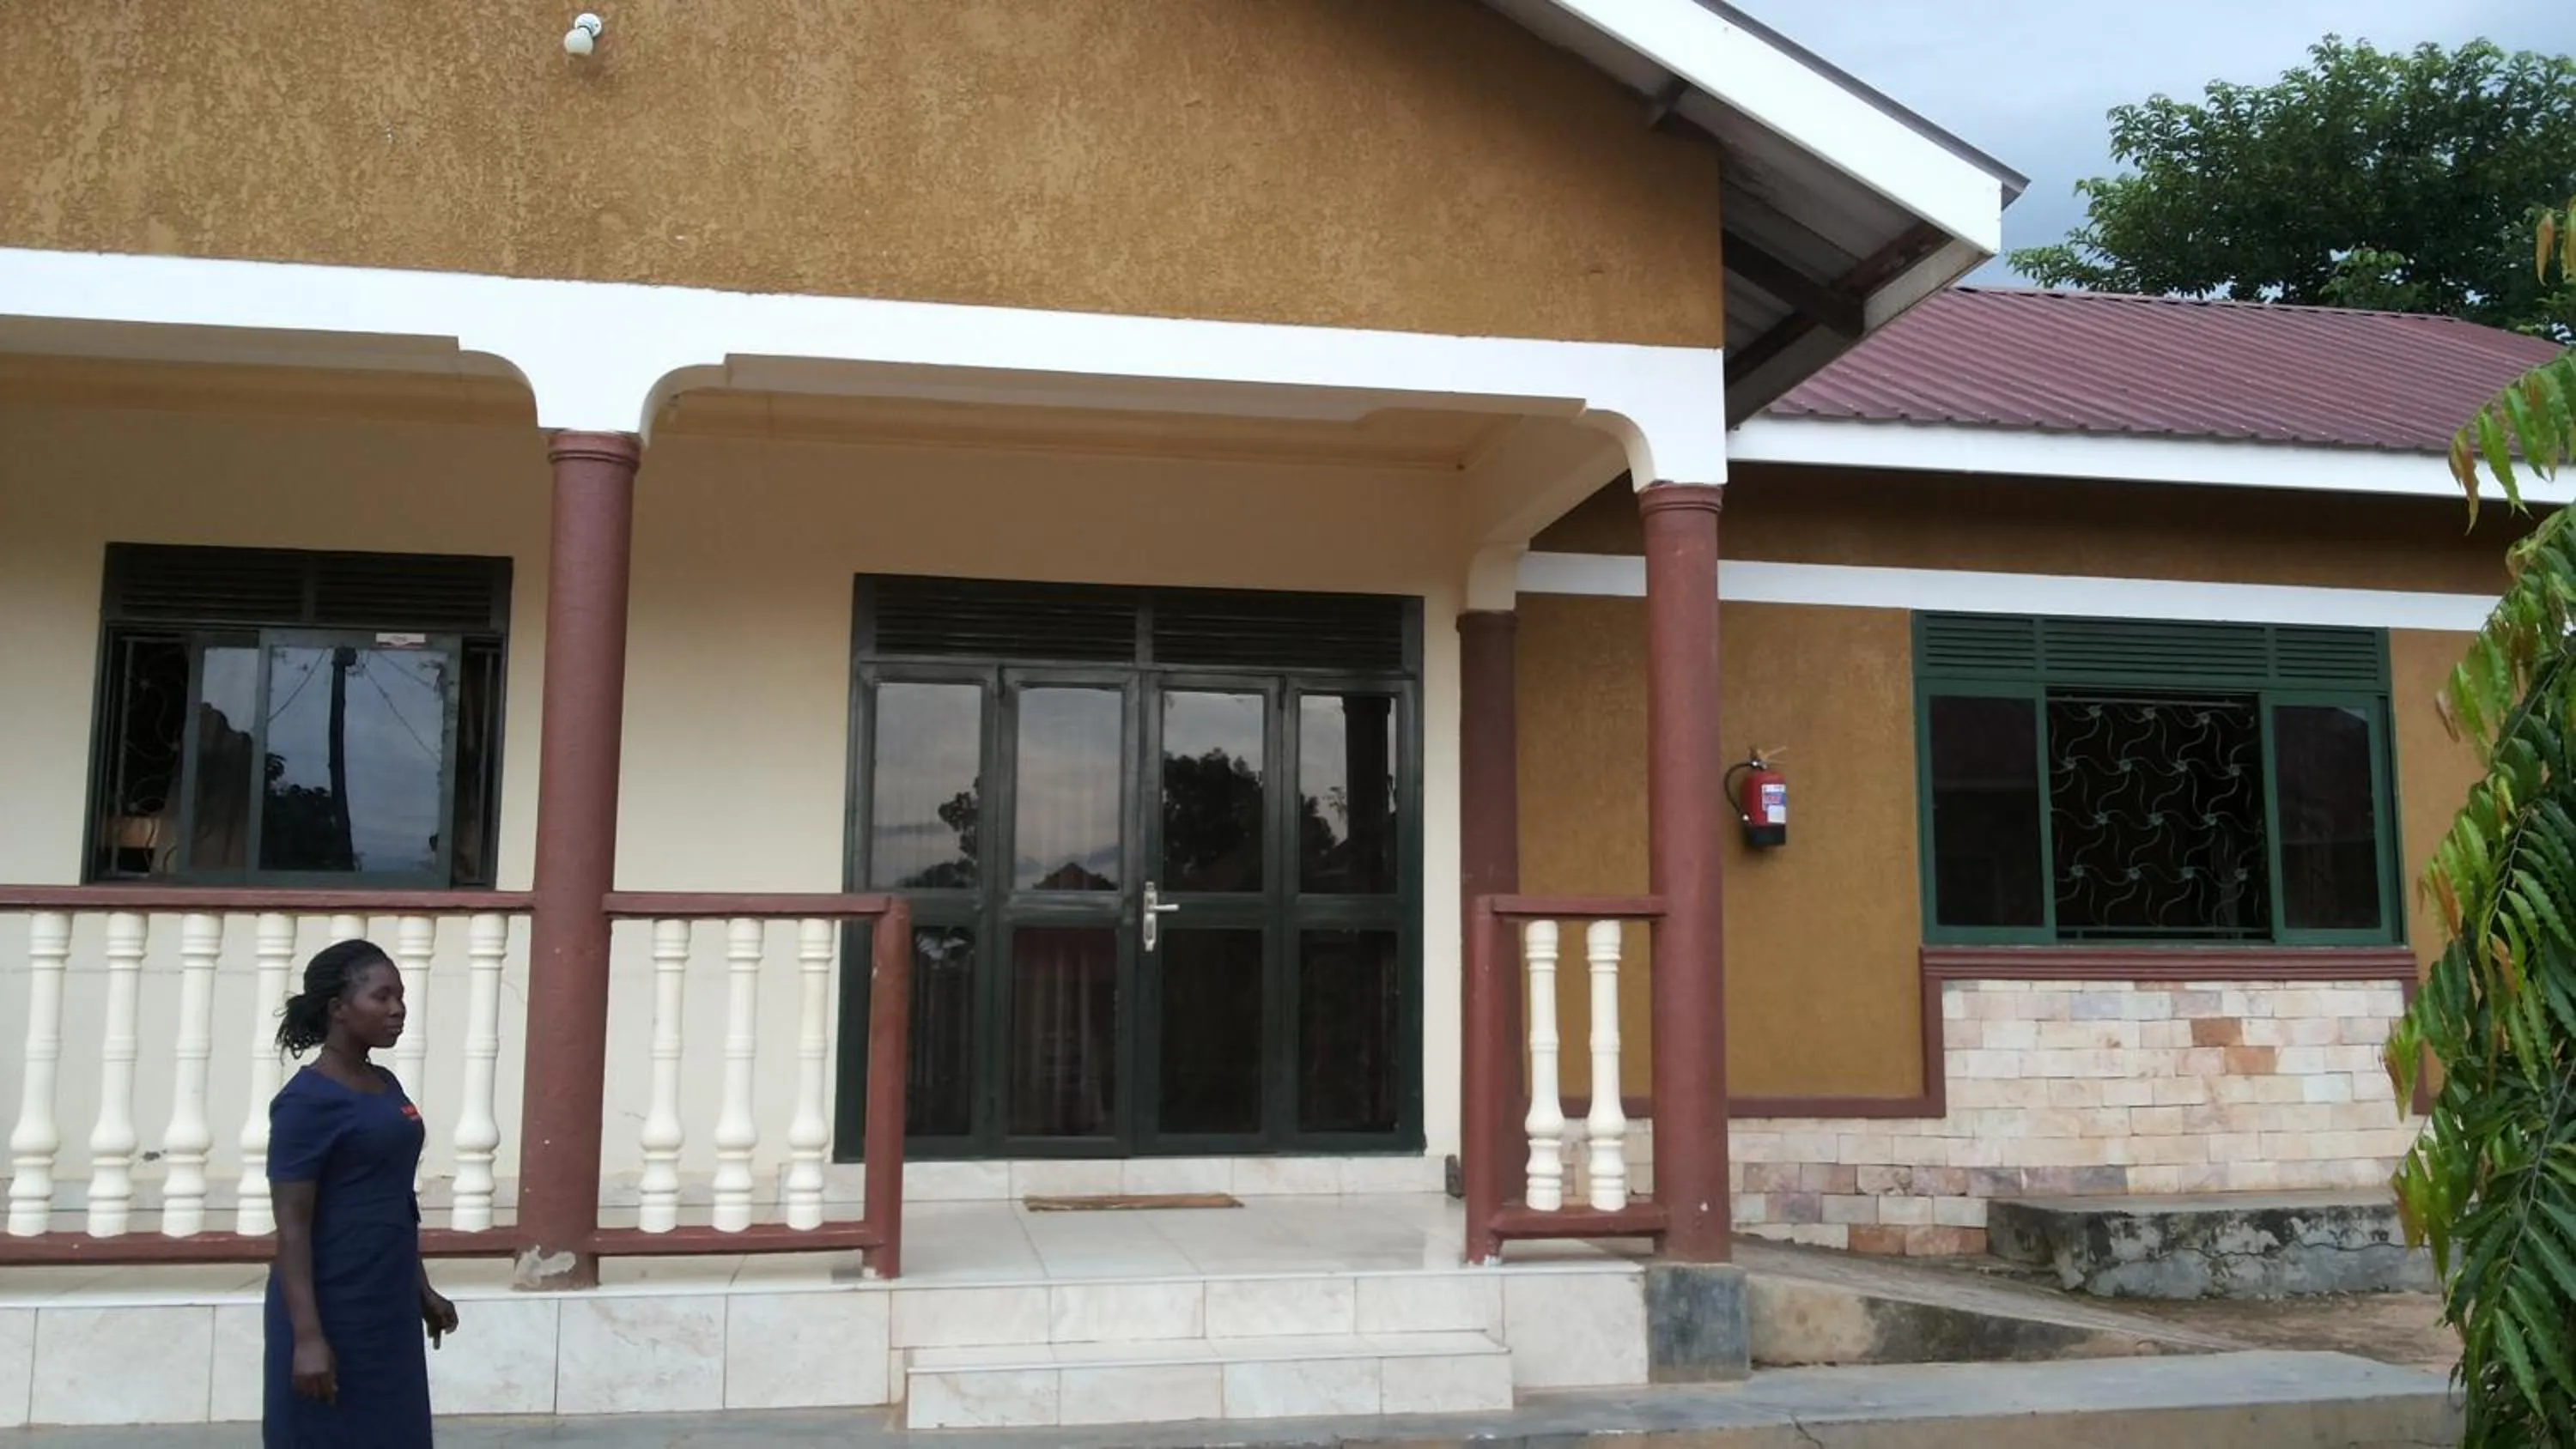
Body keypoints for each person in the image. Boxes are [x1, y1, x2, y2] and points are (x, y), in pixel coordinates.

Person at [263, 939, 459, 1448]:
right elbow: (292, 1227)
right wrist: (307, 1337)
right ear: (338, 1009)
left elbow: (396, 1199)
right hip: (331, 1305)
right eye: (382, 997)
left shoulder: (386, 1083)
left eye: (401, 997)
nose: (398, 1009)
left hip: (386, 1302)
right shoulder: (305, 1102)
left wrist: (420, 1287)